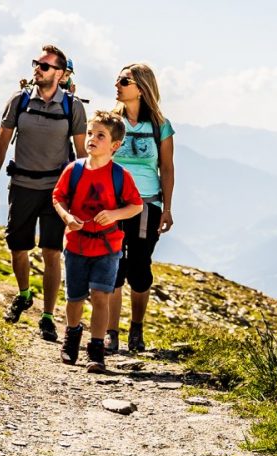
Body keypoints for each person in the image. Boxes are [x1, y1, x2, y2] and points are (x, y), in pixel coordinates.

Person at [0, 45, 87, 341]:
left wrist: (83, 196)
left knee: (52, 252)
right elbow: (1, 143)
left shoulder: (73, 107)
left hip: (58, 191)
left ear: (60, 73)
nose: (37, 69)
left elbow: (82, 155)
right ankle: (25, 294)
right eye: (36, 64)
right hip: (22, 185)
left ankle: (47, 316)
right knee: (18, 247)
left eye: (44, 66)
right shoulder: (19, 101)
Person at [52, 112, 143, 372]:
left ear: (115, 145)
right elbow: (58, 197)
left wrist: (114, 214)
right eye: (90, 133)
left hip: (107, 247)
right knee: (74, 298)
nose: (91, 139)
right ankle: (72, 335)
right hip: (77, 244)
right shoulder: (74, 170)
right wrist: (67, 217)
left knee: (101, 296)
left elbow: (136, 206)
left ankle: (96, 348)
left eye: (100, 135)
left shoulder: (120, 176)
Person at [104, 63, 175, 354]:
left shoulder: (160, 126)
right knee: (114, 267)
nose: (117, 85)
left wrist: (167, 208)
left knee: (140, 269)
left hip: (147, 204)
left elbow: (167, 168)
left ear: (142, 88)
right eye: (118, 79)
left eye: (124, 81)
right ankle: (111, 332)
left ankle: (136, 329)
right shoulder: (110, 122)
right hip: (112, 203)